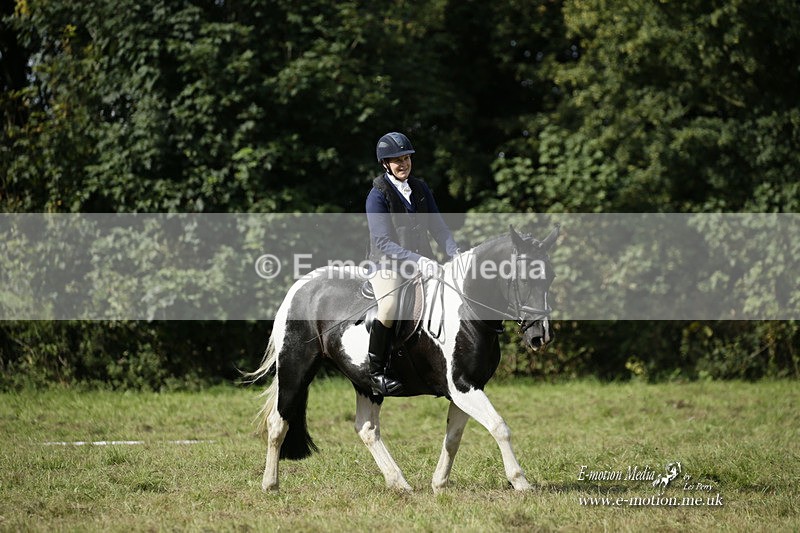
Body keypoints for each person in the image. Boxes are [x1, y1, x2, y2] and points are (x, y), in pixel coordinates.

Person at [365, 132, 460, 396]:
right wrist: (419, 260)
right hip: (387, 265)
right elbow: (383, 242)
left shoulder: (420, 188)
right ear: (385, 164)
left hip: (423, 263)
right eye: (396, 160)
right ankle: (376, 373)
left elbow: (439, 227)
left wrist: (455, 253)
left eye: (406, 158)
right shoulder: (377, 195)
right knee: (390, 306)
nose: (403, 164)